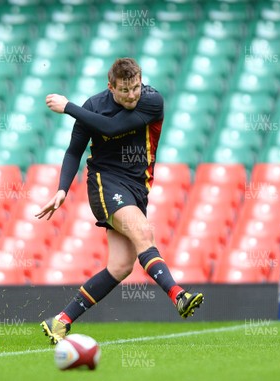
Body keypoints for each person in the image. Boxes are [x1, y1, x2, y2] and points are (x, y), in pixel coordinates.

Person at [35, 57, 204, 344]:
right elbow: (74, 151)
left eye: (135, 87)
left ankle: (60, 321)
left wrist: (69, 108)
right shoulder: (93, 106)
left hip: (137, 187)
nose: (131, 95)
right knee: (143, 233)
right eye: (124, 90)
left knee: (121, 265)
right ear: (110, 87)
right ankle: (178, 294)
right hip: (105, 182)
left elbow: (112, 128)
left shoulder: (152, 101)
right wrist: (63, 188)